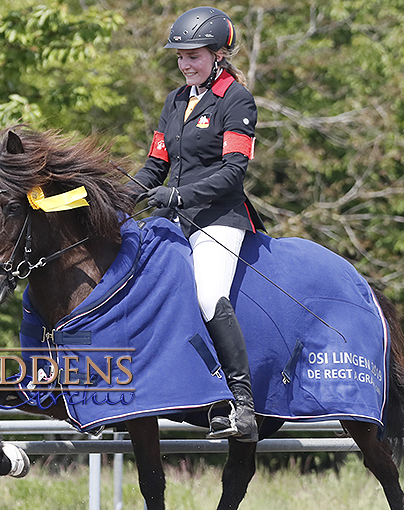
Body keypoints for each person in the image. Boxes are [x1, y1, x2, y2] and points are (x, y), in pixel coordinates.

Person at [131, 7, 263, 442]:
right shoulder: (174, 101)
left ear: (217, 55)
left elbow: (233, 172)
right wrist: (118, 197)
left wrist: (181, 195)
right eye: (181, 56)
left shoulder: (236, 100)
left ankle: (243, 405)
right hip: (173, 218)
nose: (186, 63)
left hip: (218, 220)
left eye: (195, 55)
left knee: (208, 296)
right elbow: (155, 165)